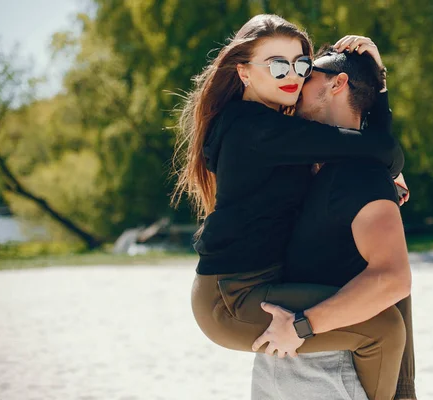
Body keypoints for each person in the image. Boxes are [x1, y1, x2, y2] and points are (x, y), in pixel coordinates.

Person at [173, 14, 406, 400]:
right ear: (244, 73)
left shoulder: (268, 125)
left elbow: (358, 138)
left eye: (301, 64)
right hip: (232, 298)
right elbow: (378, 148)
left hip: (245, 286)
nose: (293, 74)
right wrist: (385, 159)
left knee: (380, 312)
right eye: (277, 64)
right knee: (383, 327)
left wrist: (373, 83)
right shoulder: (256, 129)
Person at [250, 44, 416, 400]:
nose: (295, 80)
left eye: (308, 73)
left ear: (338, 84)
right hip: (281, 355)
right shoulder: (311, 164)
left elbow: (393, 278)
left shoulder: (362, 175)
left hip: (326, 366)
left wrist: (304, 325)